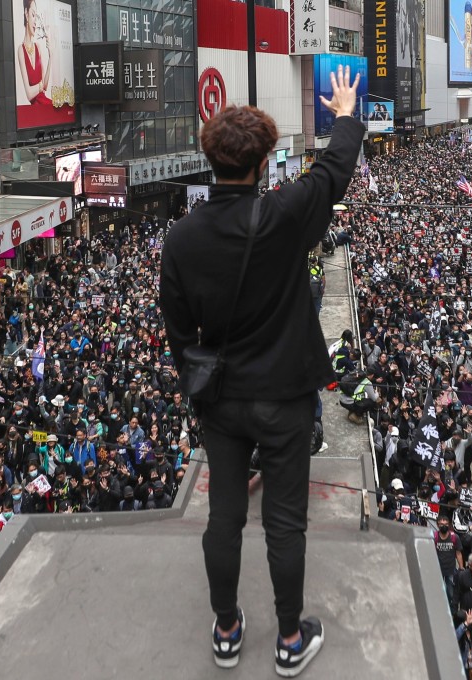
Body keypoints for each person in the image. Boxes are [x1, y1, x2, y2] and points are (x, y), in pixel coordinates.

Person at [160, 65, 363, 676]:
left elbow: (178, 336)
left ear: (210, 158)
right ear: (264, 160)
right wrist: (345, 114)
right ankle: (290, 642)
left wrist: (199, 393)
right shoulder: (283, 216)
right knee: (284, 523)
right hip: (284, 398)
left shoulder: (181, 239)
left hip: (220, 401)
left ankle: (226, 630)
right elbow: (334, 170)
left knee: (224, 518)